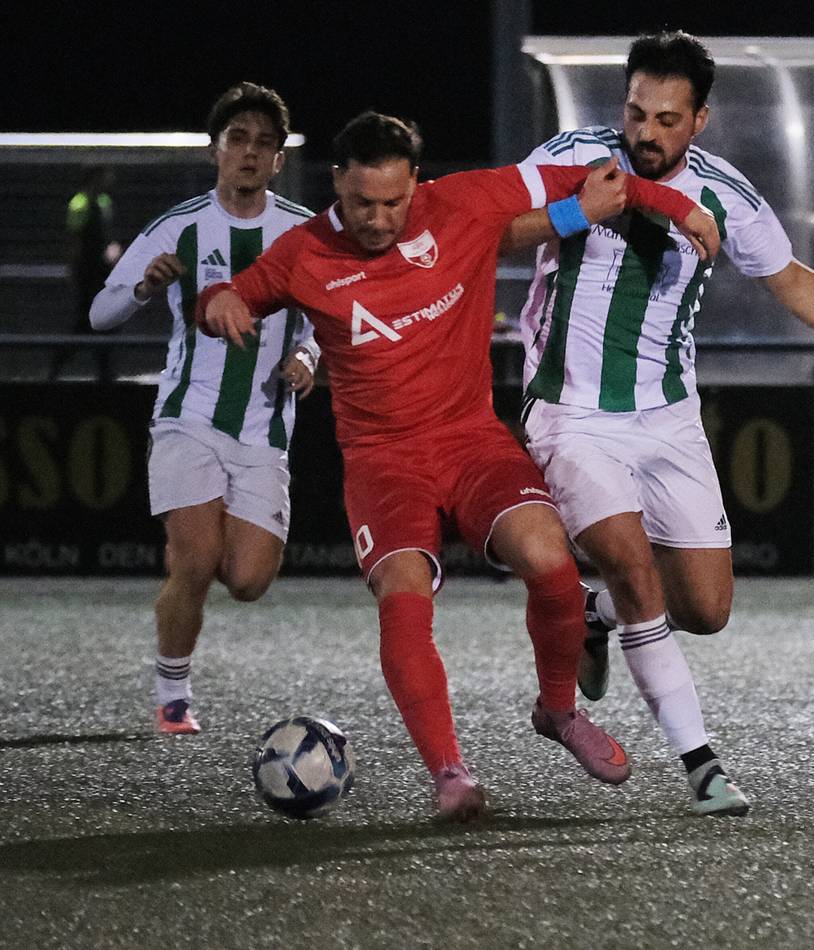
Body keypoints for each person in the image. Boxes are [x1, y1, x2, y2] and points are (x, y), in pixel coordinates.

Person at [195, 111, 721, 820]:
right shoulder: (303, 252)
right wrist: (218, 302)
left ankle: (558, 711)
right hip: (384, 463)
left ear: (417, 181)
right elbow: (230, 296)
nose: (379, 219)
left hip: (471, 440)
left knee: (551, 562)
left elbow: (603, 180)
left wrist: (681, 206)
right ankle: (451, 774)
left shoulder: (463, 201)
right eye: (362, 203)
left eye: (393, 201)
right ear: (337, 185)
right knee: (404, 598)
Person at [502, 30, 814, 816]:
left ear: (700, 120)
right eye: (636, 112)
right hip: (570, 413)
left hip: (668, 418)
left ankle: (595, 617)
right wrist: (574, 210)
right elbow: (493, 228)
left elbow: (794, 281)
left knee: (705, 611)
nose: (646, 132)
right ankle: (701, 764)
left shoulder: (726, 193)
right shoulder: (572, 155)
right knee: (634, 568)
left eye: (667, 119)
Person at [89, 82, 321, 735]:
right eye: (237, 139)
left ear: (278, 160)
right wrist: (143, 286)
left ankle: (198, 555)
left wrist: (308, 357)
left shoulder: (303, 232)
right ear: (215, 150)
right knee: (194, 559)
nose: (249, 152)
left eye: (263, 144)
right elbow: (101, 313)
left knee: (247, 580)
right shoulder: (178, 226)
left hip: (265, 428)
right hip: (187, 418)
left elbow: (327, 318)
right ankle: (173, 696)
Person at [50, 165, 122, 382]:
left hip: (102, 271)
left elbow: (106, 235)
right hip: (87, 271)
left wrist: (112, 249)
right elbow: (75, 239)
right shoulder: (80, 204)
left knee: (99, 321)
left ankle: (102, 371)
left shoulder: (104, 202)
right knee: (87, 321)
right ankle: (61, 364)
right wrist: (73, 269)